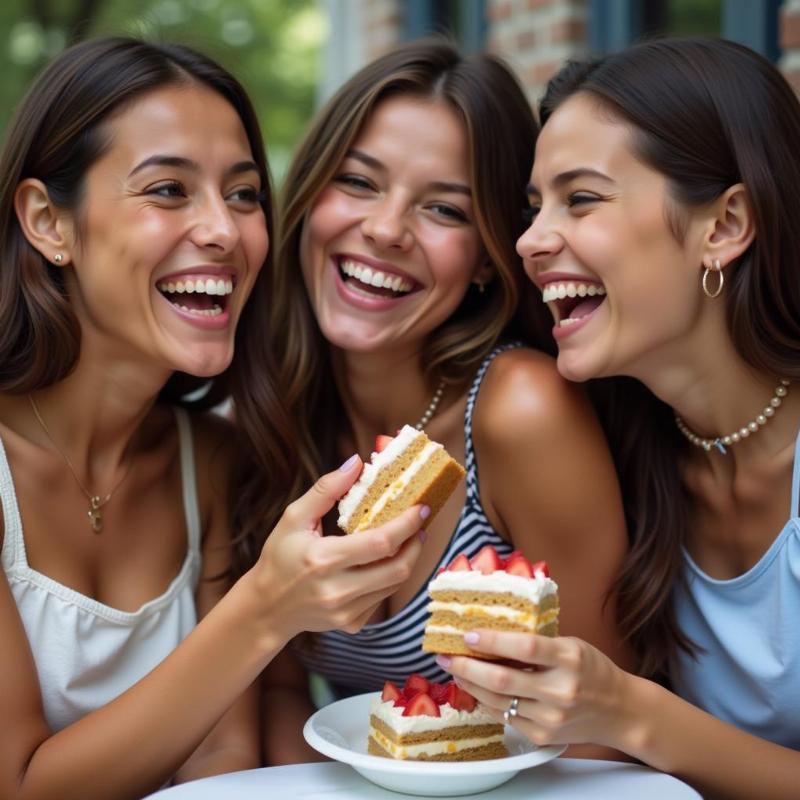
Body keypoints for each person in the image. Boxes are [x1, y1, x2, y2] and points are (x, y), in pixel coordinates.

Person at [0, 37, 426, 800]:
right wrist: (268, 608)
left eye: (242, 194)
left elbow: (218, 769)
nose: (225, 232)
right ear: (47, 221)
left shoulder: (216, 460)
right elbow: (21, 784)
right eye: (168, 190)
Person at [244, 39, 635, 766]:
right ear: (310, 194)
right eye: (358, 183)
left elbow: (603, 732)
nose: (387, 230)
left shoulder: (520, 411)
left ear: (490, 252)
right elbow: (278, 690)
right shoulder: (273, 409)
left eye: (443, 210)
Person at [436, 37, 800, 799]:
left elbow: (624, 719)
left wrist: (631, 712)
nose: (530, 241)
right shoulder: (624, 449)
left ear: (726, 225)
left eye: (583, 198)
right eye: (535, 207)